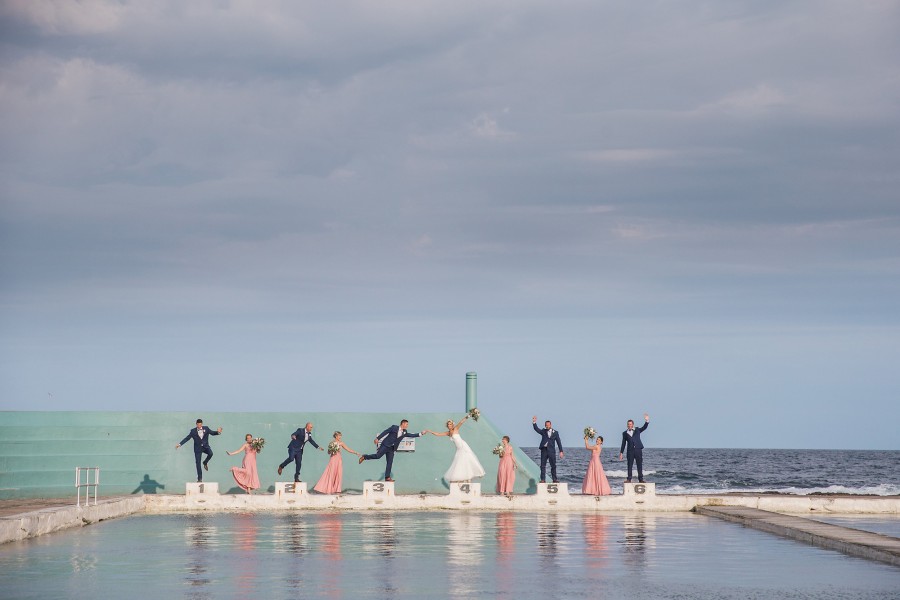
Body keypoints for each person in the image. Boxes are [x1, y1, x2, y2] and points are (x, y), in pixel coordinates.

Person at [358, 419, 423, 482]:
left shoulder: (405, 432)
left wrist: (421, 433)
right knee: (378, 456)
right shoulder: (394, 427)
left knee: (390, 462)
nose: (407, 425)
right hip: (385, 445)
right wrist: (378, 438)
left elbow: (411, 435)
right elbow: (385, 432)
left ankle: (387, 477)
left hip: (392, 448)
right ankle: (364, 457)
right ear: (403, 423)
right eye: (406, 424)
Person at [426, 415, 485, 483]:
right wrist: (429, 431)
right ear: (447, 426)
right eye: (448, 424)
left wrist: (468, 416)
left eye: (450, 424)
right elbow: (438, 434)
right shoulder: (448, 433)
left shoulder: (456, 429)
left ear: (452, 424)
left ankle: (477, 473)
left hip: (463, 446)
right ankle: (465, 478)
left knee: (469, 459)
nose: (449, 425)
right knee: (459, 463)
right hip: (458, 449)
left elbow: (461, 422)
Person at [532, 415, 564, 483]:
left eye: (548, 425)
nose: (547, 426)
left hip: (552, 451)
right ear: (545, 425)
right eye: (546, 425)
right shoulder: (543, 431)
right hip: (544, 450)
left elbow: (559, 442)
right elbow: (537, 429)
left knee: (553, 465)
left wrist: (561, 451)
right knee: (542, 465)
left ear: (550, 425)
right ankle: (543, 479)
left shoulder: (555, 432)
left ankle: (554, 479)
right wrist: (534, 422)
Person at [619, 413, 650, 483]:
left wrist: (647, 420)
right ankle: (629, 479)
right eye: (628, 424)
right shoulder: (624, 433)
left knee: (639, 464)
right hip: (630, 451)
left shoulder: (637, 429)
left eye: (630, 424)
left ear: (633, 424)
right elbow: (623, 443)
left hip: (638, 449)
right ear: (627, 425)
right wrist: (621, 453)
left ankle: (641, 479)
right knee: (629, 465)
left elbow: (644, 427)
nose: (629, 425)